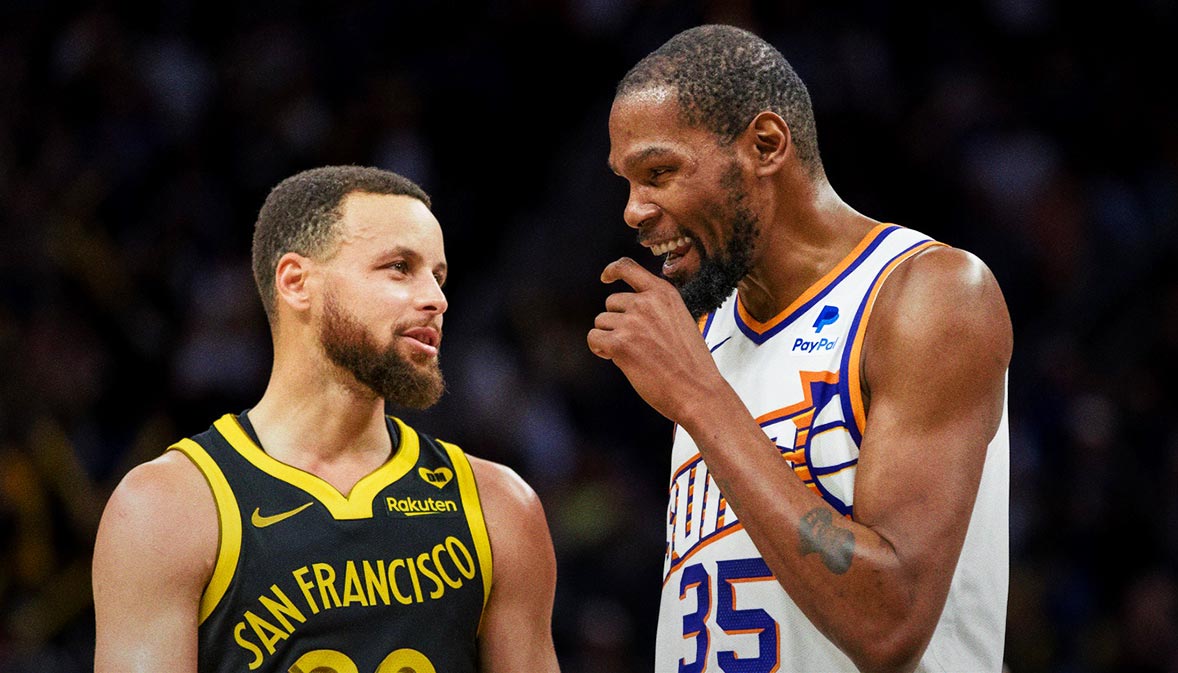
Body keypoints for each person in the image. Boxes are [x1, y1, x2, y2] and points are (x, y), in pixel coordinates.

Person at [589, 25, 1011, 673]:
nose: (633, 210)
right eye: (627, 181)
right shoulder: (707, 338)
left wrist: (701, 397)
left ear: (765, 145)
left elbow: (888, 624)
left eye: (659, 171)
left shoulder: (929, 294)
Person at [93, 165, 560, 673]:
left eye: (438, 275)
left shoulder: (500, 507)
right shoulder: (166, 509)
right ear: (296, 283)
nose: (436, 299)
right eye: (400, 267)